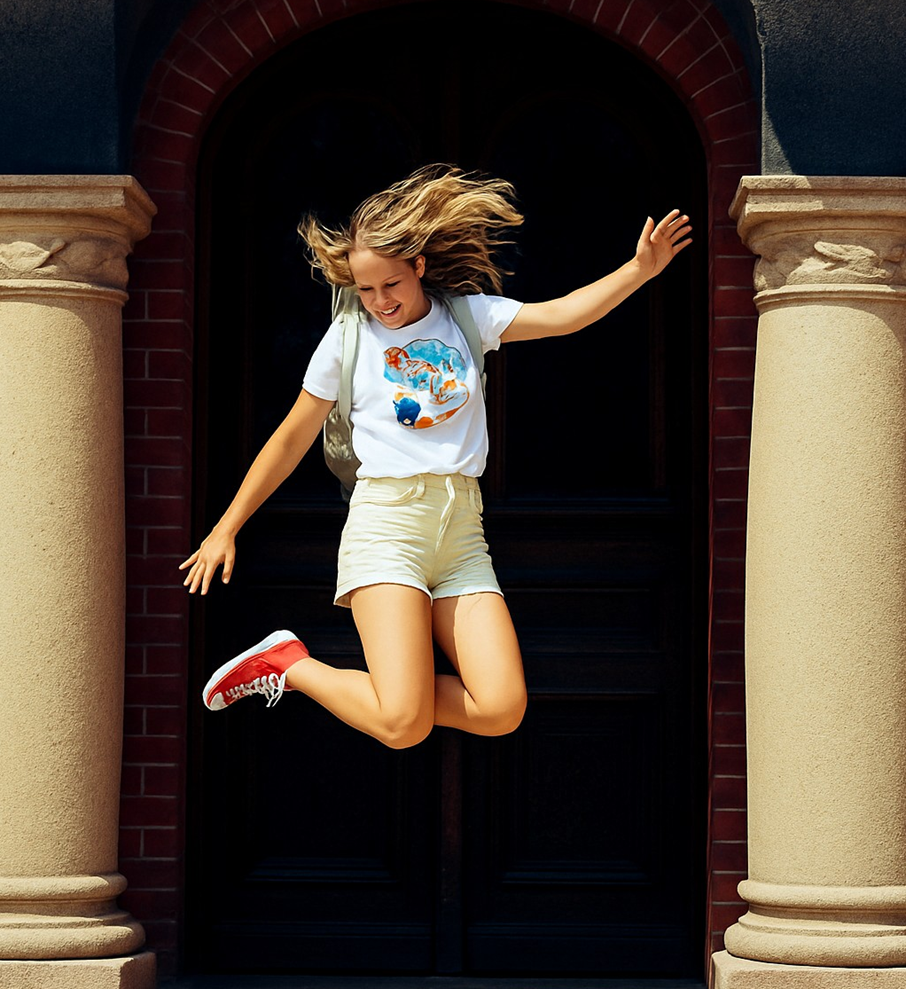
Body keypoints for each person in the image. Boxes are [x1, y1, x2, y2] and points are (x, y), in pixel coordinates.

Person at [179, 165, 691, 749]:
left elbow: (563, 315)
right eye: (365, 289)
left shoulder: (466, 317)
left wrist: (639, 269)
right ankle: (291, 666)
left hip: (461, 531)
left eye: (390, 285)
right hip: (388, 525)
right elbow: (291, 437)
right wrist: (227, 527)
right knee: (402, 725)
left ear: (418, 266)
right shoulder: (346, 340)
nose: (379, 302)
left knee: (500, 709)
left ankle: (347, 679)